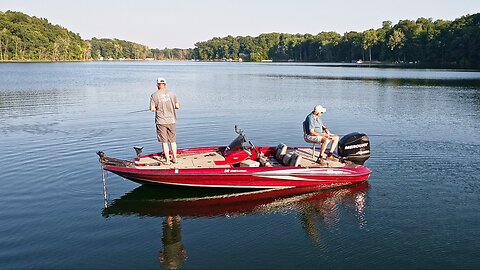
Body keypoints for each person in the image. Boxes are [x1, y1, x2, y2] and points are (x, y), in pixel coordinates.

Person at [150, 77, 180, 165]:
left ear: (157, 85)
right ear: (165, 84)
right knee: (173, 141)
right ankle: (175, 158)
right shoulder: (173, 94)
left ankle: (167, 160)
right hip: (172, 120)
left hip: (160, 121)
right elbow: (177, 106)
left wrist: (155, 108)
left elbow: (152, 109)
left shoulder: (154, 95)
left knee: (164, 142)